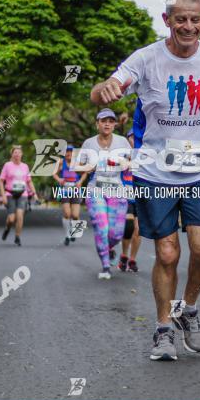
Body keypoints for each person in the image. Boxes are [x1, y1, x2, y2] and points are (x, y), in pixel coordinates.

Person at [90, 0, 200, 361]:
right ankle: (164, 328)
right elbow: (105, 88)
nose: (188, 26)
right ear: (167, 20)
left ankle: (190, 308)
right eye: (180, 19)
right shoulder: (146, 58)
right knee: (167, 254)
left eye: (195, 19)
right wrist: (104, 90)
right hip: (154, 173)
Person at [77, 109, 131, 279]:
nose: (107, 123)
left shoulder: (122, 142)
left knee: (116, 233)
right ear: (97, 124)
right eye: (103, 121)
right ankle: (106, 266)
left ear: (115, 124)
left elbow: (133, 162)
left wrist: (125, 163)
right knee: (102, 228)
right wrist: (89, 167)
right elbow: (79, 167)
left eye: (110, 121)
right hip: (96, 190)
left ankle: (108, 247)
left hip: (117, 189)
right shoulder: (89, 144)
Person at [0, 145, 39, 246]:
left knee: (20, 215)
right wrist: (3, 195)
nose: (17, 154)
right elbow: (1, 181)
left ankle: (17, 236)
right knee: (11, 219)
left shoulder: (25, 166)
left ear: (21, 154)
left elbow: (29, 182)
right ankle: (7, 228)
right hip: (10, 194)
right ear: (12, 154)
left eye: (19, 153)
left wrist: (35, 194)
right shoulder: (7, 165)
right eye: (15, 153)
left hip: (23, 194)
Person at [118, 129, 141, 273]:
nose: (135, 139)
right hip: (125, 195)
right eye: (132, 137)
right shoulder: (122, 154)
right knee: (128, 227)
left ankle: (132, 259)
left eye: (137, 137)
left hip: (140, 196)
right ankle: (124, 255)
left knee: (139, 229)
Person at [52, 145, 84, 246]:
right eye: (66, 152)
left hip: (75, 190)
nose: (68, 153)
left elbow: (85, 172)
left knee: (75, 215)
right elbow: (54, 173)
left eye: (70, 151)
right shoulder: (61, 162)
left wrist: (80, 181)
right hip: (64, 190)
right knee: (67, 214)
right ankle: (67, 236)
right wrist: (59, 179)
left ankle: (75, 233)